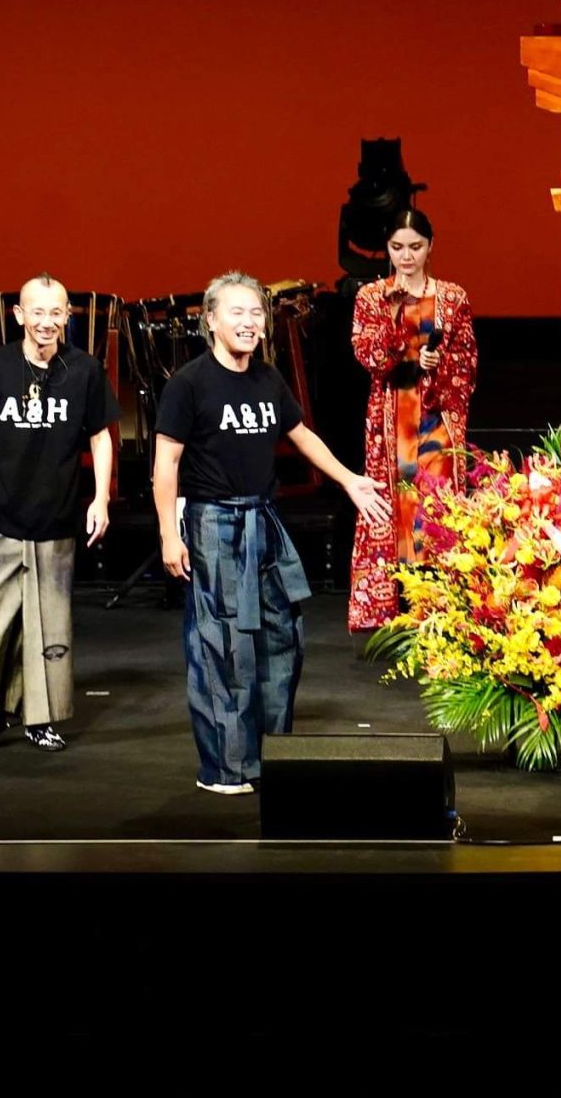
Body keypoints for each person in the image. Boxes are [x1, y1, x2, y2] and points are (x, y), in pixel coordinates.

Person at [154, 271, 390, 795]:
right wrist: (170, 533)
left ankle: (273, 758)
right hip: (214, 523)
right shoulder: (189, 383)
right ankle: (226, 769)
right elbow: (165, 463)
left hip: (264, 518)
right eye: (236, 312)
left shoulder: (268, 379)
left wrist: (349, 480)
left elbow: (301, 435)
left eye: (256, 313)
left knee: (283, 639)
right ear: (211, 320)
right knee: (223, 647)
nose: (249, 322)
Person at [0, 274, 118, 753]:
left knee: (49, 627)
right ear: (19, 315)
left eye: (56, 312)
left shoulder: (84, 370)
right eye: (37, 312)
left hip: (56, 516)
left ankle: (40, 719)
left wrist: (101, 498)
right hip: (0, 515)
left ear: (67, 316)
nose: (47, 322)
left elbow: (100, 436)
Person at [346, 208, 477, 630]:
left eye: (415, 247)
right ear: (387, 249)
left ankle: (440, 609)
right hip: (391, 415)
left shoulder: (452, 297)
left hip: (436, 414)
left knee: (435, 504)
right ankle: (393, 610)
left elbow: (467, 359)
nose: (406, 256)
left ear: (430, 247)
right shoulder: (372, 296)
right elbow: (366, 353)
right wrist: (396, 327)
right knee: (394, 503)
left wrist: (438, 365)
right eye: (398, 247)